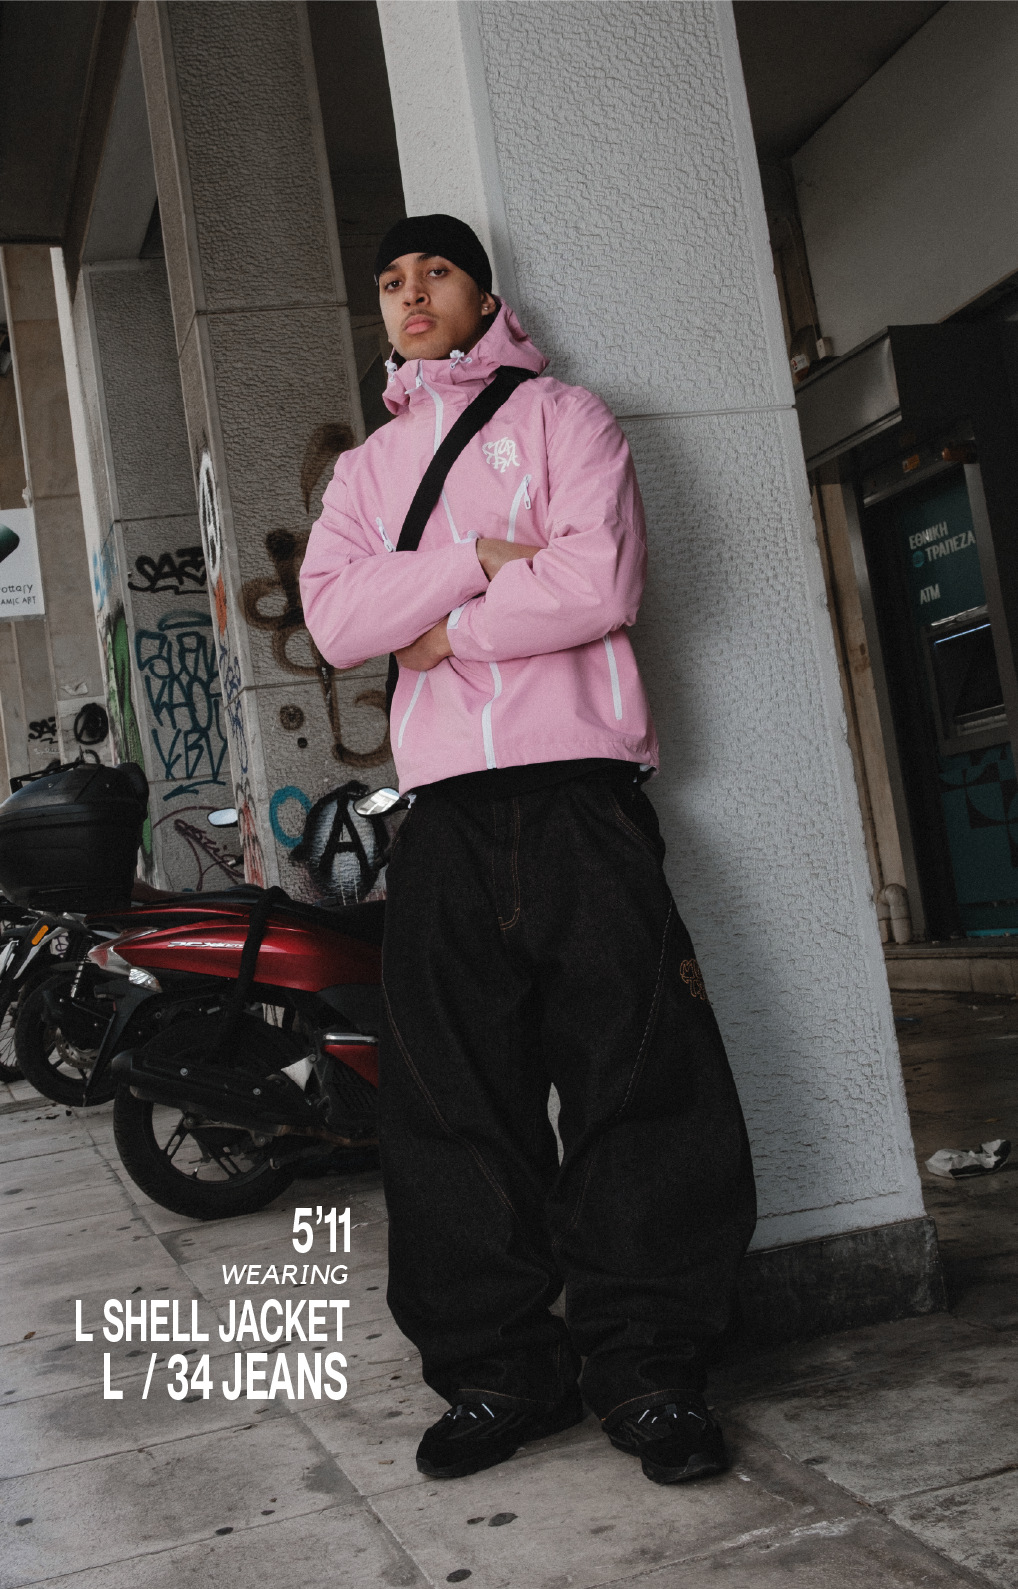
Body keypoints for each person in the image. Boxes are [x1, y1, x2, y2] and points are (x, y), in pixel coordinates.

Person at [300, 214, 756, 1487]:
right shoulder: (368, 471)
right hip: (446, 811)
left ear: (482, 291)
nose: (411, 295)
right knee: (450, 1102)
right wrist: (479, 561)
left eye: (435, 272)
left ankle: (652, 1371)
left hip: (580, 794)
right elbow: (335, 619)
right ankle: (501, 1372)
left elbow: (600, 584)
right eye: (390, 281)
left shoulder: (567, 420)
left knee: (638, 1077)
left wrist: (443, 629)